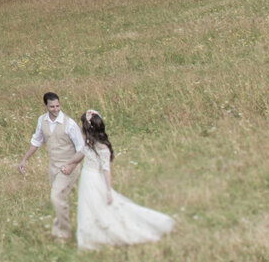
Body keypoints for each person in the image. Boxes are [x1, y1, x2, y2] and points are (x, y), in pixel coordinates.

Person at [74, 109, 175, 250]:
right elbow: (80, 155)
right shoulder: (88, 144)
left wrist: (108, 190)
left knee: (101, 206)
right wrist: (68, 164)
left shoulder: (102, 148)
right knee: (87, 207)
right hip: (86, 178)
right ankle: (89, 235)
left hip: (94, 180)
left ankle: (102, 234)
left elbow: (106, 169)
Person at [16, 91, 86, 241]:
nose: (56, 109)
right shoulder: (42, 121)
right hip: (53, 167)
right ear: (46, 106)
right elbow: (36, 141)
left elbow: (82, 149)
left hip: (69, 166)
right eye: (52, 106)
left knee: (56, 197)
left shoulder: (70, 124)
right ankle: (58, 230)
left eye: (58, 106)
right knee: (59, 198)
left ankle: (64, 233)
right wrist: (24, 160)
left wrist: (72, 165)